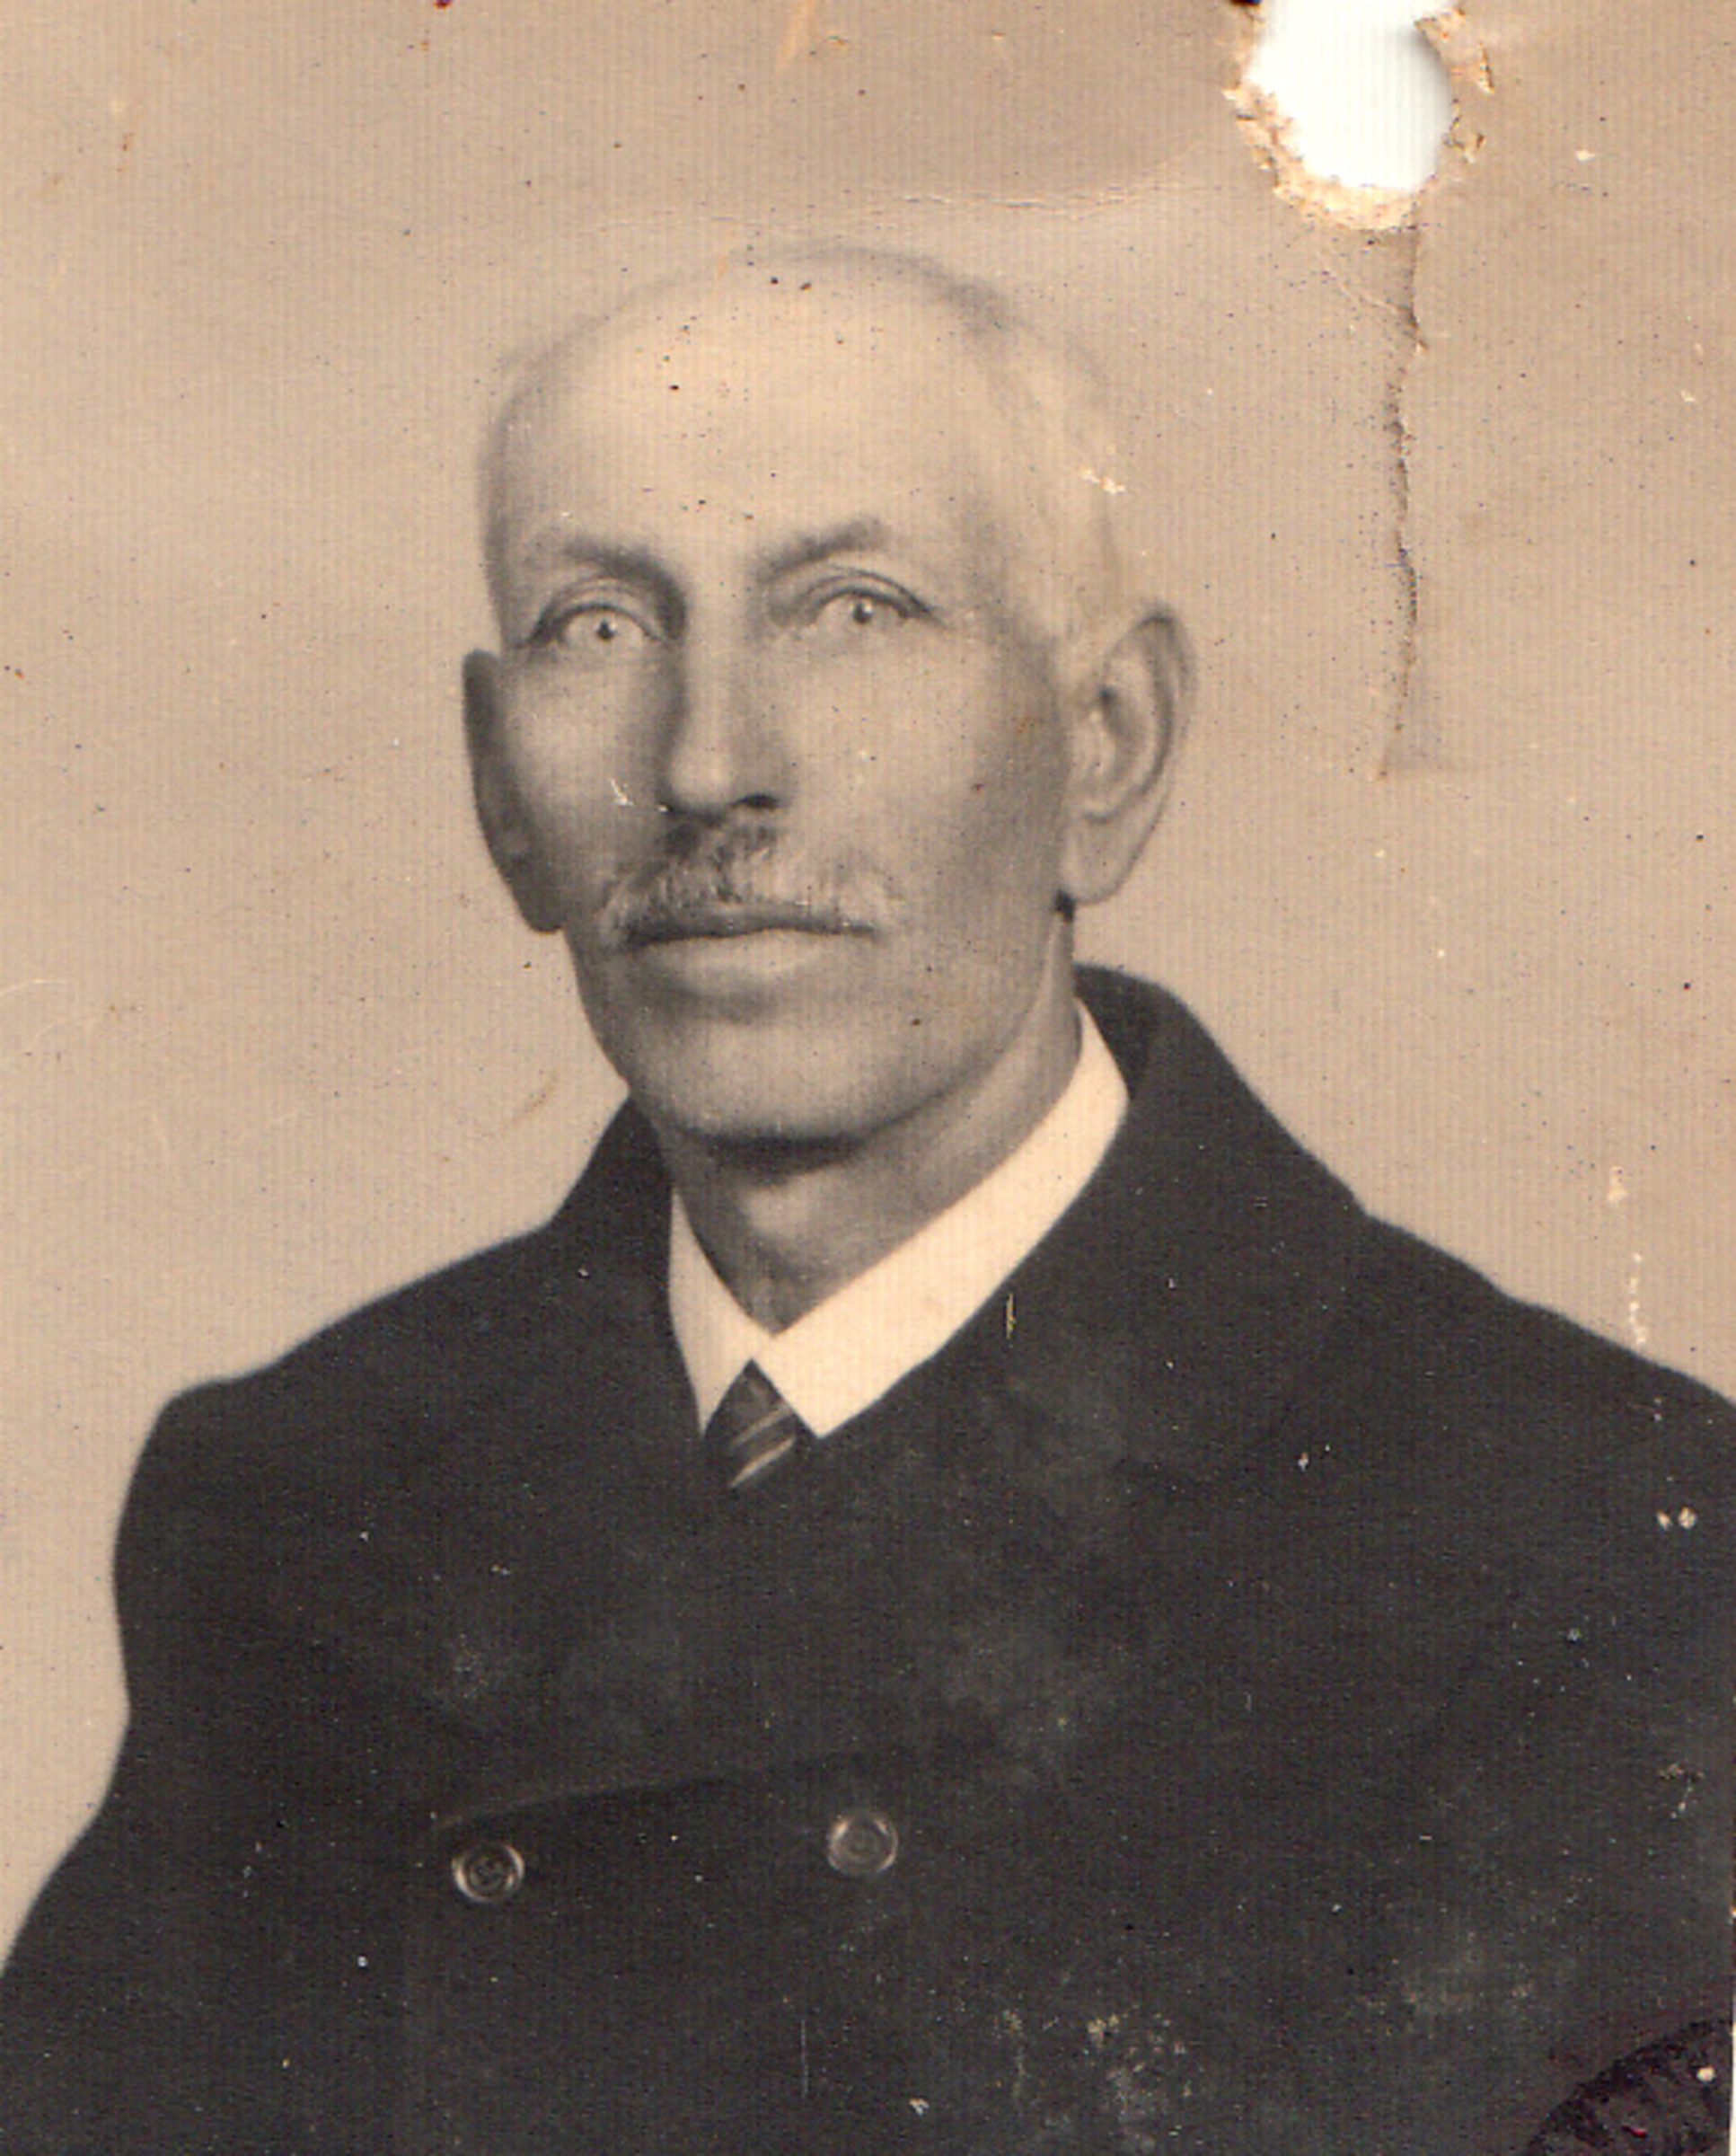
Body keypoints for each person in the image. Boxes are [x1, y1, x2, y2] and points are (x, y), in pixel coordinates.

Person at [1, 248, 1729, 2156]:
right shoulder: (292, 1506)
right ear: (499, 788)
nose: (708, 766)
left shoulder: (1591, 1548)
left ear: (1106, 745)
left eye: (852, 609)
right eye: (599, 625)